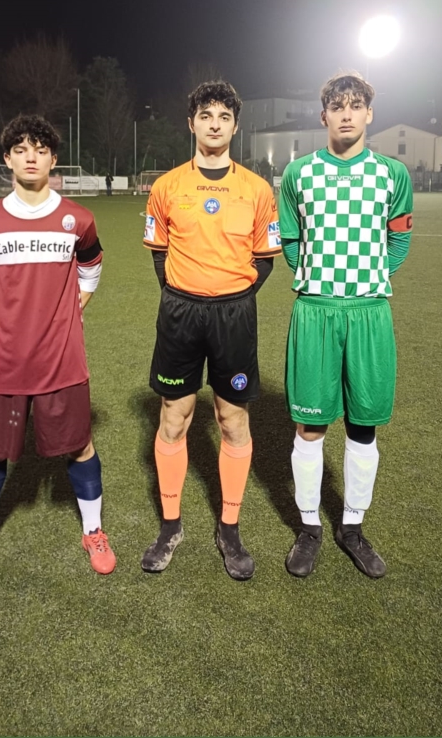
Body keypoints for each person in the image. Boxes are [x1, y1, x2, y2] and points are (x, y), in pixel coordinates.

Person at [0, 114, 116, 581]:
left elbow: (92, 267)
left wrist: (69, 312)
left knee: (79, 444)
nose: (31, 157)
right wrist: (14, 322)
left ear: (53, 158)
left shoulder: (79, 219)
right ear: (7, 159)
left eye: (40, 149)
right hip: (3, 358)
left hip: (62, 356)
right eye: (20, 150)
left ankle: (94, 531)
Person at [141, 81, 281, 580]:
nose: (215, 124)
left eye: (224, 116)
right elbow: (159, 254)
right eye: (206, 115)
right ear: (192, 124)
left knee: (232, 420)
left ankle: (230, 528)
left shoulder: (257, 189)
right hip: (180, 313)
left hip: (234, 316)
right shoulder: (166, 186)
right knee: (174, 417)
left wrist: (230, 295)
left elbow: (265, 259)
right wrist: (187, 293)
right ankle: (170, 525)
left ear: (235, 126)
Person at [278, 71, 413, 579]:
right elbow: (291, 240)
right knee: (311, 425)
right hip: (315, 310)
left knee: (363, 423)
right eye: (338, 107)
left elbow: (399, 239)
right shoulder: (299, 174)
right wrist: (319, 281)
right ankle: (310, 527)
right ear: (324, 117)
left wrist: (369, 280)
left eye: (356, 106)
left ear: (369, 114)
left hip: (369, 311)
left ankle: (352, 526)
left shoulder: (392, 174)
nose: (347, 114)